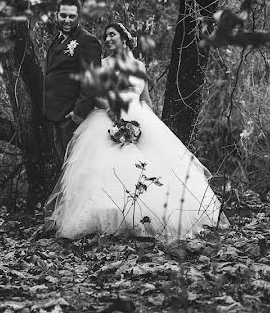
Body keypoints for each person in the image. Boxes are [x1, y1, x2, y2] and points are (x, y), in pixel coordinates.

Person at [45, 22, 229, 242]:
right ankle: (108, 218)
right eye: (106, 36)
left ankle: (151, 216)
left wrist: (151, 127)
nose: (108, 39)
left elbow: (146, 100)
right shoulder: (102, 64)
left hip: (139, 118)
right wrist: (112, 111)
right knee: (108, 166)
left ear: (124, 37)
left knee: (154, 167)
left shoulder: (139, 67)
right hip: (109, 115)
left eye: (112, 34)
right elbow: (94, 95)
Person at [43, 0, 102, 164]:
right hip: (55, 116)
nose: (67, 20)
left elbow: (91, 82)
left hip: (72, 119)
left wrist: (77, 114)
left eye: (71, 16)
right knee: (64, 168)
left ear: (79, 17)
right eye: (63, 15)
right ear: (57, 15)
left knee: (75, 167)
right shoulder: (57, 40)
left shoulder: (87, 41)